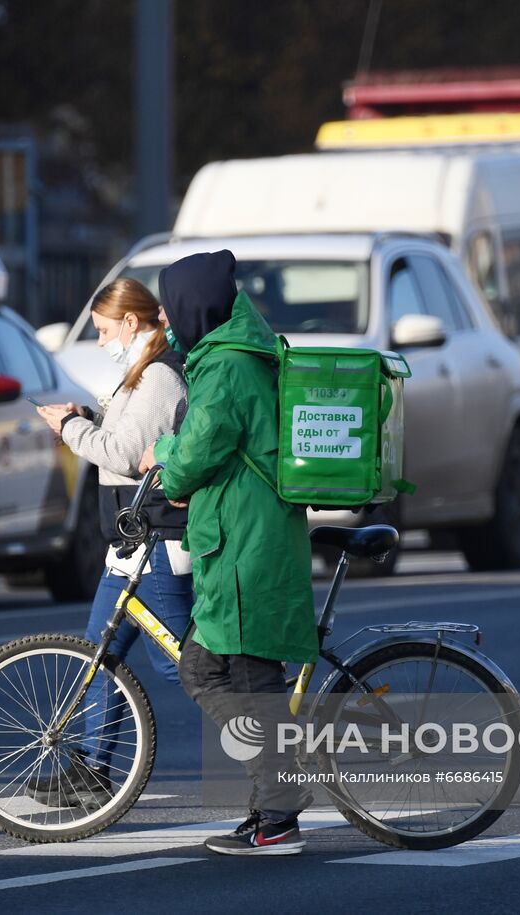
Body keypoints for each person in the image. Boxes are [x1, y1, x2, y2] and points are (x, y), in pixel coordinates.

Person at [139, 250, 317, 856]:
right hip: (243, 540)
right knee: (215, 669)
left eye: (168, 306)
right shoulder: (234, 352)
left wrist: (163, 457)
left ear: (194, 305)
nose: (163, 318)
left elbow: (197, 451)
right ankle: (270, 799)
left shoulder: (227, 366)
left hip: (247, 547)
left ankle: (280, 814)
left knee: (241, 678)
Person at [29, 277, 193, 809]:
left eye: (103, 330)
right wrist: (85, 420)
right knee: (97, 652)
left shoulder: (160, 377)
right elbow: (128, 440)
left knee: (185, 666)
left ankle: (279, 728)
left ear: (131, 322)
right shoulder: (138, 374)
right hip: (128, 542)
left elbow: (124, 455)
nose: (100, 342)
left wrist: (72, 431)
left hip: (157, 540)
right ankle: (92, 769)